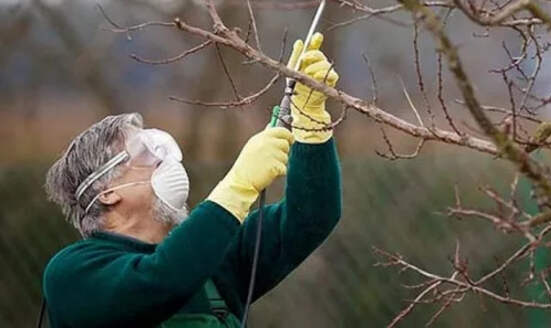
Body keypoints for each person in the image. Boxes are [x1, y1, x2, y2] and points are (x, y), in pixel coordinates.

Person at [42, 33, 342, 327]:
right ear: (105, 191)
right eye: (145, 153)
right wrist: (238, 186)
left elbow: (312, 217)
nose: (165, 160)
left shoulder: (214, 258)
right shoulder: (73, 273)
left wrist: (310, 124)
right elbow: (160, 283)